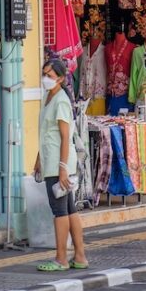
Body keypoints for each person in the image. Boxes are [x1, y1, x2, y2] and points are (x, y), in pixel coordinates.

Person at [34, 57, 88, 272]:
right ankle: (80, 256)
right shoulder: (49, 97)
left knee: (60, 211)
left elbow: (66, 137)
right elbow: (47, 133)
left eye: (50, 75)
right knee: (69, 208)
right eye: (44, 74)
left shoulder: (61, 101)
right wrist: (39, 158)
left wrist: (63, 167)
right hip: (51, 161)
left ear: (61, 78)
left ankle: (61, 258)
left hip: (59, 164)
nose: (46, 78)